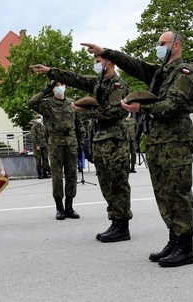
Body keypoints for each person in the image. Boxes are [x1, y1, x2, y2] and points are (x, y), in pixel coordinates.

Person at [81, 30, 193, 267]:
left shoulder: (185, 72)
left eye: (162, 44)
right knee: (163, 192)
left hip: (175, 142)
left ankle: (185, 246)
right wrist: (106, 52)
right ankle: (174, 239)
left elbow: (172, 105)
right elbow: (134, 65)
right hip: (158, 141)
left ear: (175, 46)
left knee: (178, 192)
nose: (158, 47)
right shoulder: (161, 72)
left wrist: (141, 108)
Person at [31, 55, 132, 242]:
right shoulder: (99, 83)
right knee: (106, 183)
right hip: (100, 139)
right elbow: (76, 78)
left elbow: (115, 111)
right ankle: (115, 221)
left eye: (97, 61)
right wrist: (50, 71)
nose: (95, 64)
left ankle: (122, 224)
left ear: (108, 62)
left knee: (118, 183)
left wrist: (85, 112)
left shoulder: (118, 84)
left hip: (115, 139)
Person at [27, 81, 81, 220]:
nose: (60, 87)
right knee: (57, 176)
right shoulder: (48, 104)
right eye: (56, 85)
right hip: (55, 143)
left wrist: (80, 143)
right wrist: (45, 91)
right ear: (53, 88)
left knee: (71, 175)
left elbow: (78, 124)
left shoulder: (72, 103)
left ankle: (69, 207)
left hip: (71, 143)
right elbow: (31, 103)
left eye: (62, 84)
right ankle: (59, 208)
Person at [30, 114, 51, 179]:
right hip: (38, 146)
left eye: (40, 118)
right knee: (38, 160)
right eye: (38, 118)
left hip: (44, 145)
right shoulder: (34, 127)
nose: (39, 119)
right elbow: (33, 137)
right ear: (36, 119)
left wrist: (48, 144)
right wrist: (36, 145)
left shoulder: (43, 126)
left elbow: (46, 136)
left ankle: (45, 173)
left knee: (45, 159)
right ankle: (39, 174)